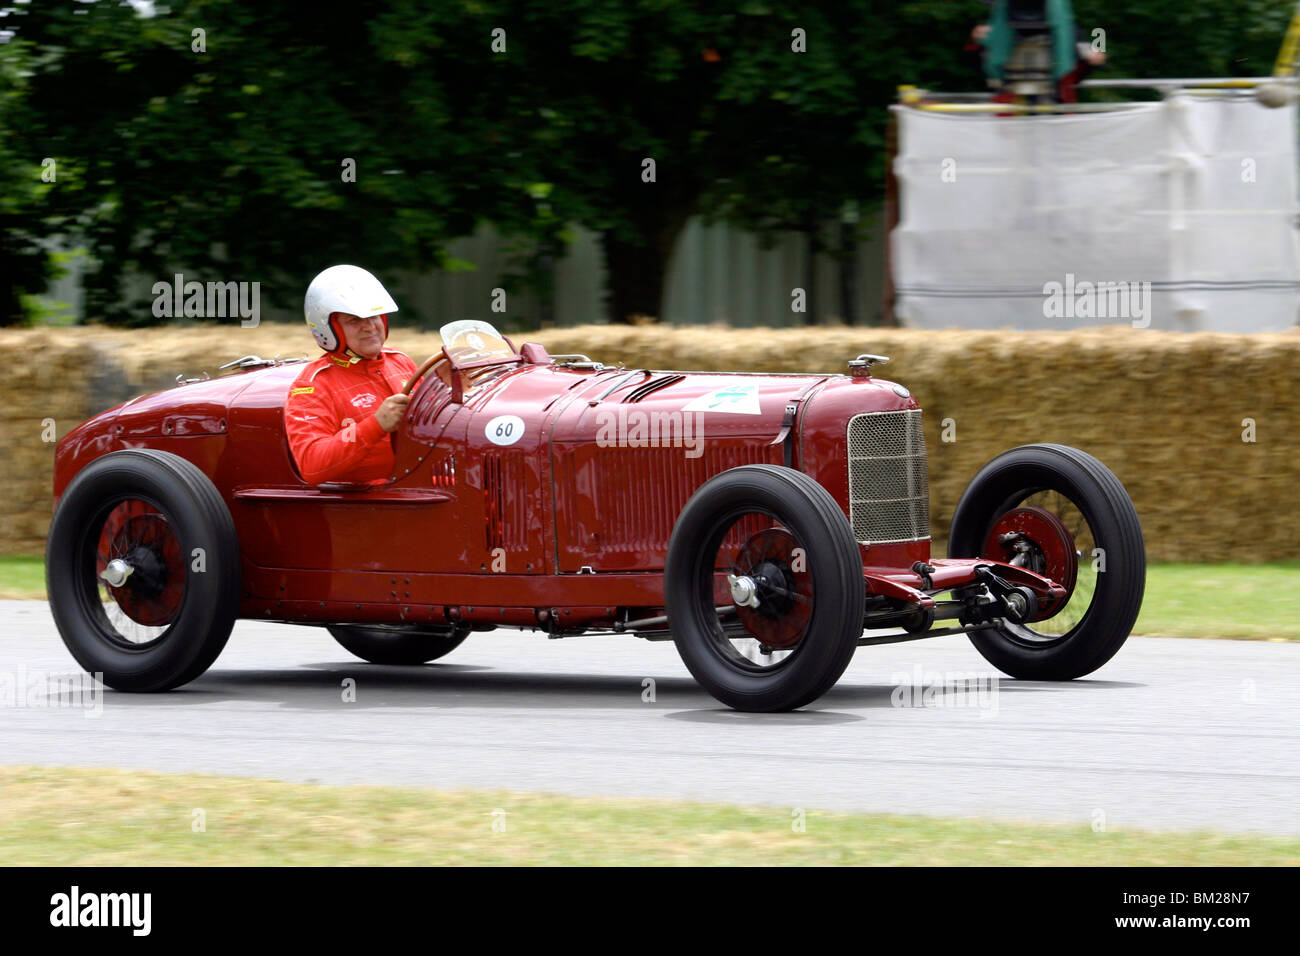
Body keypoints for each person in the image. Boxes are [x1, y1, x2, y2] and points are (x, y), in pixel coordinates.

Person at [284, 265, 417, 485]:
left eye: (374, 315)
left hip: (425, 488)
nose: (370, 327)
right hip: (373, 505)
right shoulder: (313, 386)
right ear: (330, 329)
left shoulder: (401, 361)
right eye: (354, 320)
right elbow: (312, 465)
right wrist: (375, 425)